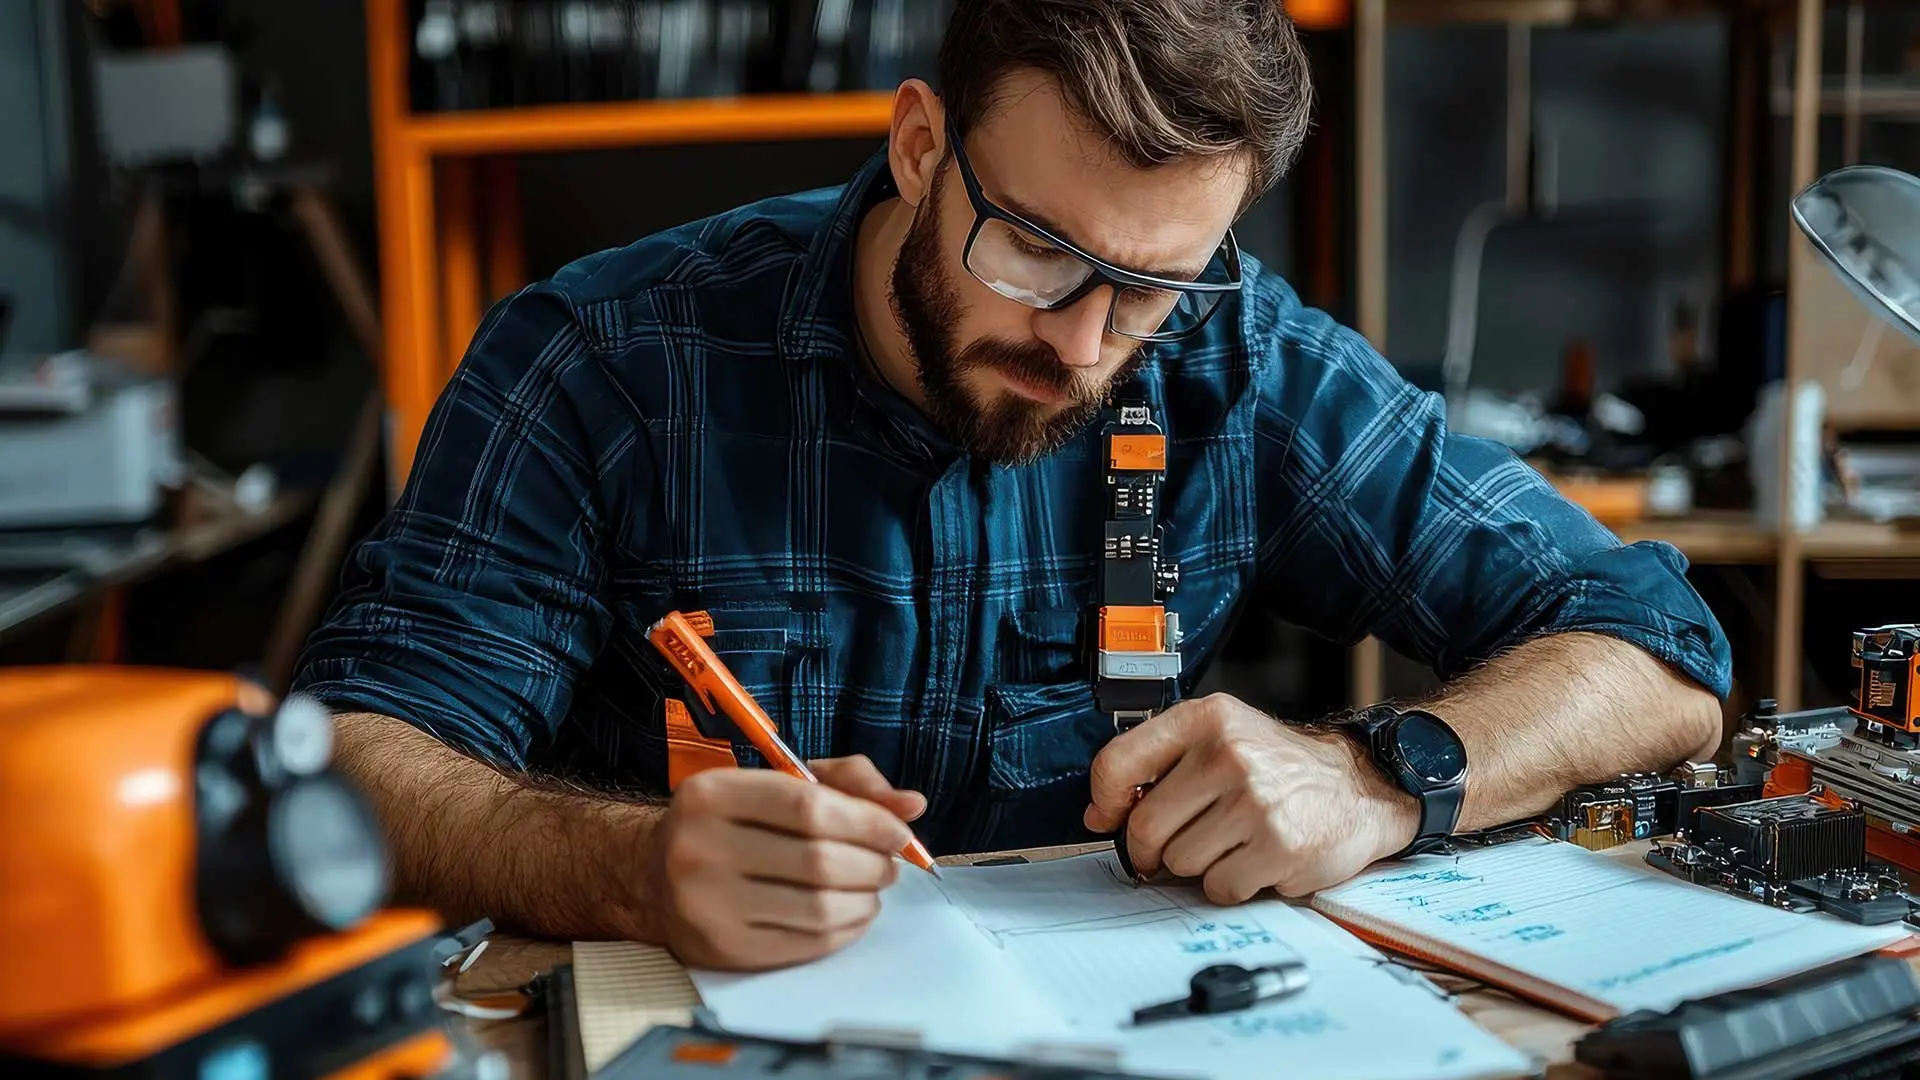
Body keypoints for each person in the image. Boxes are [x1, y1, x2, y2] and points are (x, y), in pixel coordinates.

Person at [294, 0, 1730, 973]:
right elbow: (359, 764)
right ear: (920, 147)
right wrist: (629, 866)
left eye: (1151, 286)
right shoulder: (604, 362)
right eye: (1037, 252)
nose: (1081, 344)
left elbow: (1661, 648)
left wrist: (1379, 776)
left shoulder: (1245, 358)